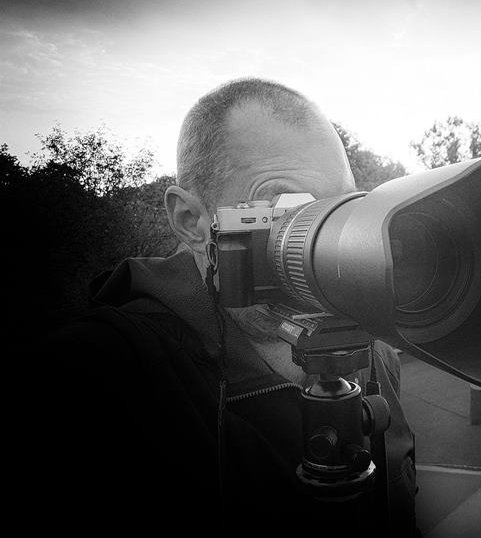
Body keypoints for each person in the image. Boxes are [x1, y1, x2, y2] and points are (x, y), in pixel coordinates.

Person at [16, 78, 417, 534]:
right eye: (289, 213)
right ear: (192, 221)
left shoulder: (372, 353)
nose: (323, 244)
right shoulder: (92, 375)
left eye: (336, 211)